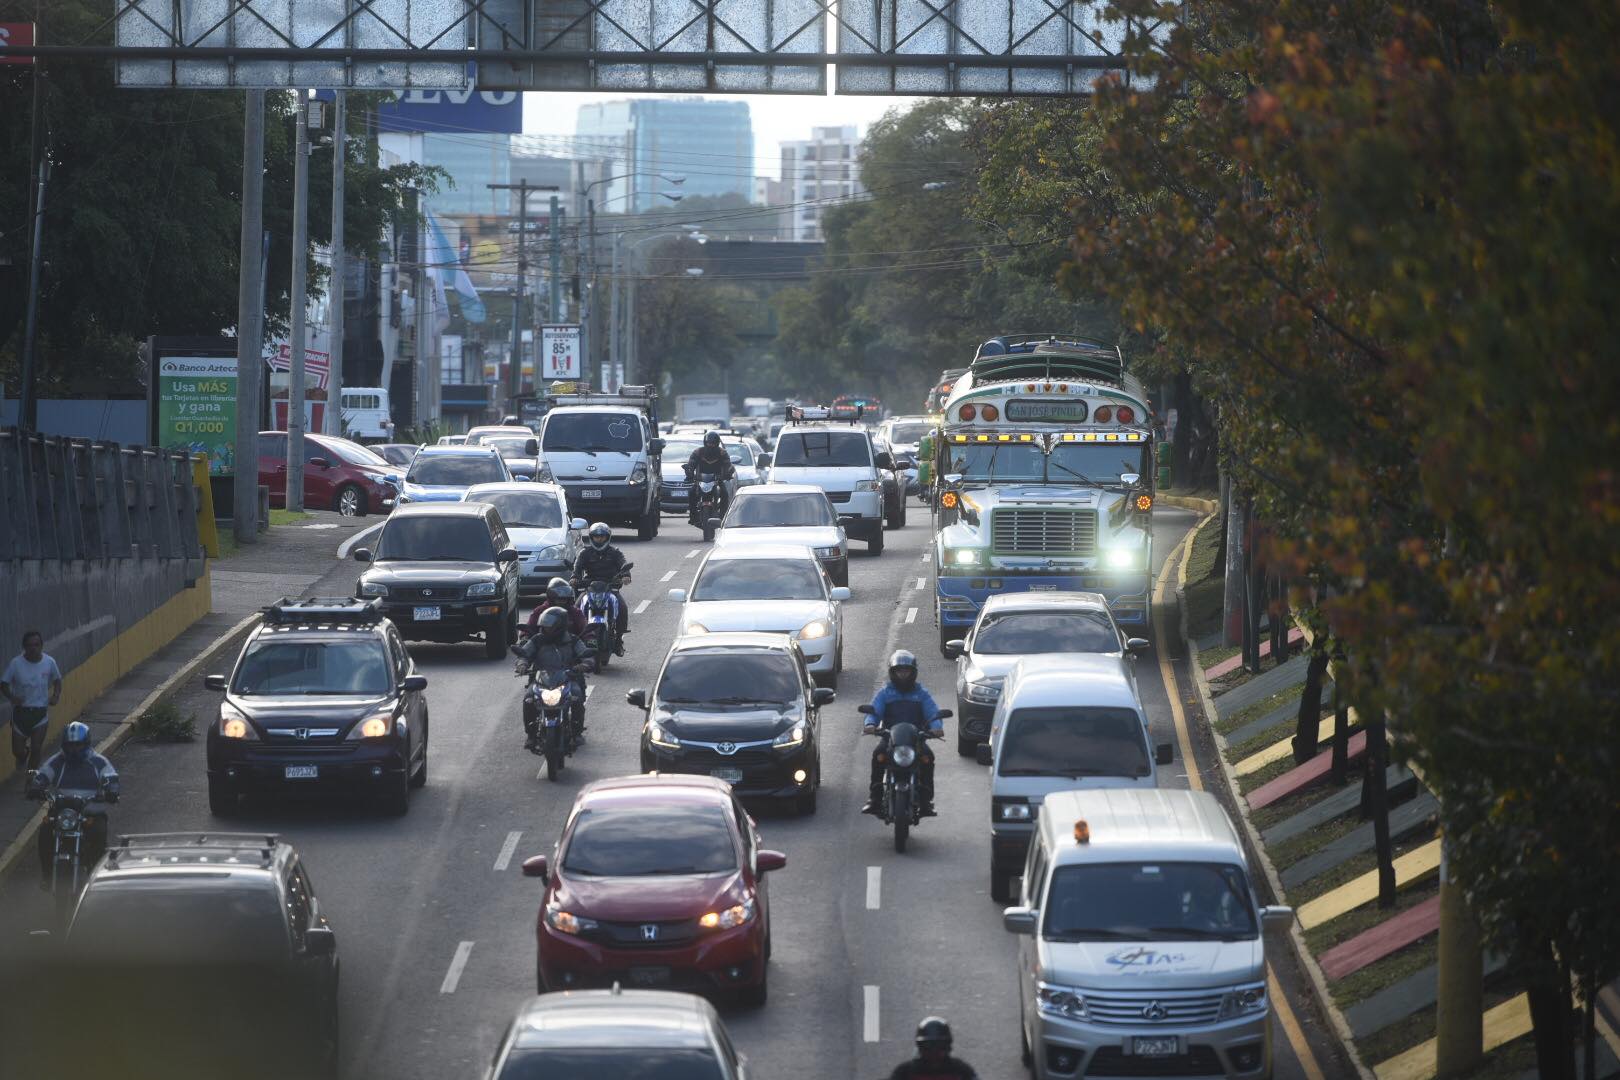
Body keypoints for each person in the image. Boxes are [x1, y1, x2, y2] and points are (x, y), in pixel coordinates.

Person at [27, 721, 119, 886]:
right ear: (64, 745)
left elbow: (111, 776)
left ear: (86, 743)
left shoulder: (98, 762)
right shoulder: (58, 761)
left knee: (99, 834)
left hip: (91, 813)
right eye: (70, 745)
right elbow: (43, 774)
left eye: (78, 745)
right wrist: (36, 786)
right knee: (45, 833)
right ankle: (47, 876)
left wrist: (112, 790)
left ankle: (97, 879)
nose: (73, 749)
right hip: (63, 812)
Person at [862, 650, 942, 817]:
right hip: (890, 738)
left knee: (928, 757)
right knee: (878, 755)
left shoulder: (921, 694)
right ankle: (874, 799)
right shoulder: (885, 693)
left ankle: (926, 801)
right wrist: (870, 724)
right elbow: (874, 711)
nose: (903, 675)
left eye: (906, 671)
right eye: (900, 671)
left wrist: (936, 727)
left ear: (913, 672)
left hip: (916, 739)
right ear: (893, 672)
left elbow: (933, 712)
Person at [513, 606, 593, 748]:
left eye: (550, 626)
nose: (546, 629)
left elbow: (586, 655)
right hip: (541, 681)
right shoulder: (537, 640)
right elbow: (524, 655)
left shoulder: (572, 640)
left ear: (559, 626)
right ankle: (531, 735)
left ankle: (577, 731)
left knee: (577, 696)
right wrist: (522, 665)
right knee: (528, 700)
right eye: (545, 625)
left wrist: (584, 665)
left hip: (567, 679)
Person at [3, 630, 62, 775]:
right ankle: (23, 755)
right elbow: (4, 683)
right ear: (24, 647)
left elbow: (57, 680)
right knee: (17, 751)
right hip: (20, 714)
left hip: (40, 714)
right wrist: (11, 697)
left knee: (37, 748)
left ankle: (31, 780)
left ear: (41, 645)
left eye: (36, 644)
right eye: (29, 645)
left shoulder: (49, 662)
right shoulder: (16, 664)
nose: (33, 648)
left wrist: (55, 695)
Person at [571, 523, 629, 650]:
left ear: (607, 537)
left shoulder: (615, 552)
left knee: (623, 607)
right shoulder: (584, 553)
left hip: (610, 586)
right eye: (596, 536)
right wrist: (574, 577)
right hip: (589, 587)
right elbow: (577, 567)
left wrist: (626, 575)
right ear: (591, 537)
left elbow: (623, 564)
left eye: (602, 536)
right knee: (575, 609)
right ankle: (573, 640)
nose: (599, 539)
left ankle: (619, 638)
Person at [888, 1017, 977, 1080]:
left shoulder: (961, 1070)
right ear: (920, 1047)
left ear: (947, 1046)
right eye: (928, 1047)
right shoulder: (905, 1072)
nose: (934, 1052)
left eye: (939, 1046)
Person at [683, 432, 736, 524]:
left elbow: (727, 465)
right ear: (705, 442)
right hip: (700, 480)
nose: (710, 445)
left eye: (713, 443)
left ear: (717, 443)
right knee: (692, 493)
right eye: (709, 443)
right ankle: (693, 516)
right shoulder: (698, 452)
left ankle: (723, 518)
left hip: (717, 480)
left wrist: (728, 473)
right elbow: (691, 464)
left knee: (724, 494)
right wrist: (689, 472)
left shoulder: (722, 452)